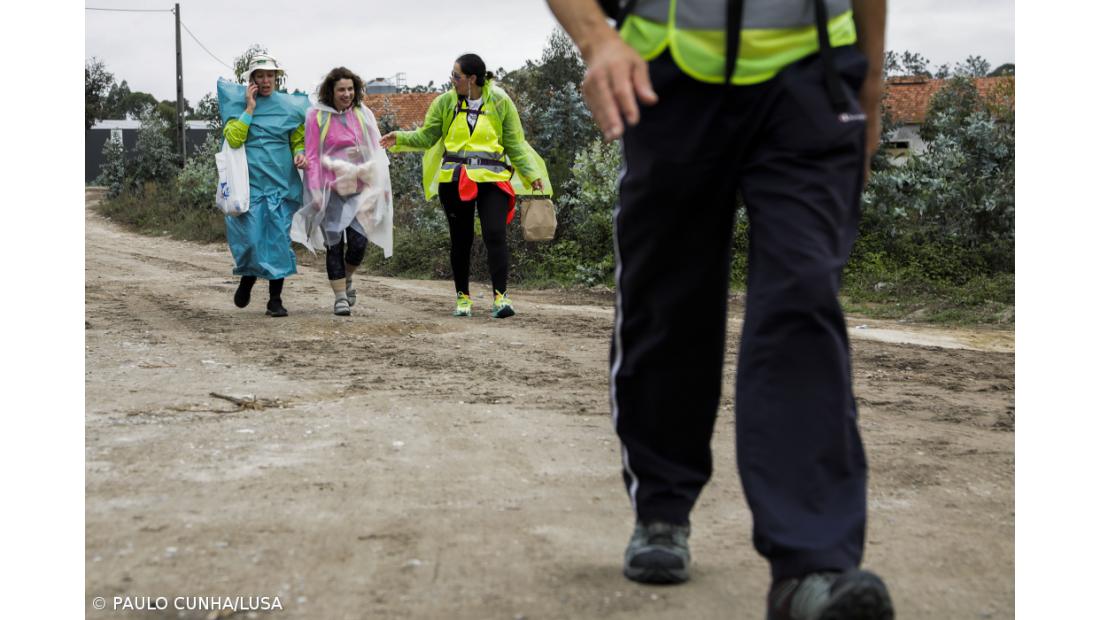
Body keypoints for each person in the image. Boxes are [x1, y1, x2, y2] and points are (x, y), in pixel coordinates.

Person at [546, 0, 894, 618]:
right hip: (666, 77)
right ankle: (661, 507)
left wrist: (870, 76)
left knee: (803, 295)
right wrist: (596, 36)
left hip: (811, 78)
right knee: (668, 303)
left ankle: (812, 563)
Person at [379, 53, 551, 319]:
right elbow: (428, 136)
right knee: (462, 239)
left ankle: (501, 298)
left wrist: (531, 173)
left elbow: (514, 143)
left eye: (456, 76)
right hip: (455, 179)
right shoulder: (445, 102)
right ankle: (463, 298)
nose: (452, 80)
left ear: (472, 79)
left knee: (495, 233)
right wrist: (399, 137)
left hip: (492, 179)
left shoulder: (500, 101)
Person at [293, 66, 393, 316]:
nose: (347, 94)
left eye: (350, 89)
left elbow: (376, 152)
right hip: (331, 189)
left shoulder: (363, 114)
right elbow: (313, 155)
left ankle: (347, 278)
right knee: (334, 244)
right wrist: (315, 190)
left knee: (359, 243)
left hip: (360, 188)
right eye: (341, 90)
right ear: (331, 91)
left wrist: (381, 186)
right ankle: (339, 297)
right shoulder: (316, 116)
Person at [218, 53, 309, 317]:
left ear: (277, 78)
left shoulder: (290, 107)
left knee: (278, 241)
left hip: (281, 186)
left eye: (271, 75)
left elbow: (298, 138)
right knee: (250, 240)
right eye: (261, 76)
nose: (266, 80)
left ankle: (275, 300)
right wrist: (249, 109)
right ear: (252, 80)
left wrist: (299, 152)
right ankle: (247, 280)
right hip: (249, 188)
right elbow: (234, 140)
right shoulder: (237, 106)